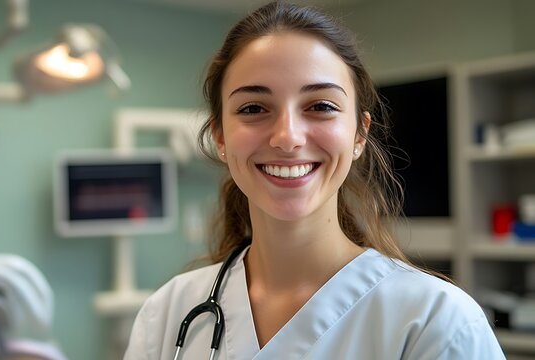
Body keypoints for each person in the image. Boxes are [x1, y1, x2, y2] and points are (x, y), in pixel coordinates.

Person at [124, 1, 505, 359]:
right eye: (254, 108)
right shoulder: (167, 314)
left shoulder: (436, 322)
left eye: (320, 106)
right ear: (220, 136)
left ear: (359, 133)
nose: (287, 136)